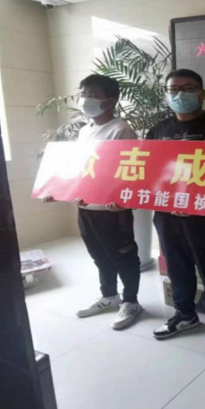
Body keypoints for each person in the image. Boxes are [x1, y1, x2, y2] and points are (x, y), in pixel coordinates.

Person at [147, 68, 205, 347]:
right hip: (167, 214)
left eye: (187, 88)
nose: (180, 94)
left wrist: (197, 203)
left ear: (202, 94)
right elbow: (149, 173)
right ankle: (185, 314)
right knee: (177, 266)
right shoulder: (158, 130)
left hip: (204, 215)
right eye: (173, 89)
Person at [44, 74, 143, 330]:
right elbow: (81, 169)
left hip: (112, 210)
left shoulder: (121, 129)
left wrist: (123, 201)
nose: (85, 99)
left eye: (92, 95)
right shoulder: (85, 131)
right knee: (99, 255)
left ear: (110, 100)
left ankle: (131, 302)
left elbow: (130, 171)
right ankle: (109, 295)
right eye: (84, 94)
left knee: (123, 256)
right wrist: (59, 190)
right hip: (86, 206)